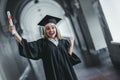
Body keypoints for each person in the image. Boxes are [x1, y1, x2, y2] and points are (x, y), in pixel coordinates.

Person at [9, 15, 80, 80]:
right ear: (45, 31)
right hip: (53, 74)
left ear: (56, 29)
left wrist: (71, 45)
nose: (51, 30)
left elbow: (68, 58)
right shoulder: (42, 43)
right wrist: (15, 33)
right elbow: (26, 45)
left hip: (67, 72)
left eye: (53, 28)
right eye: (48, 29)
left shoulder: (63, 42)